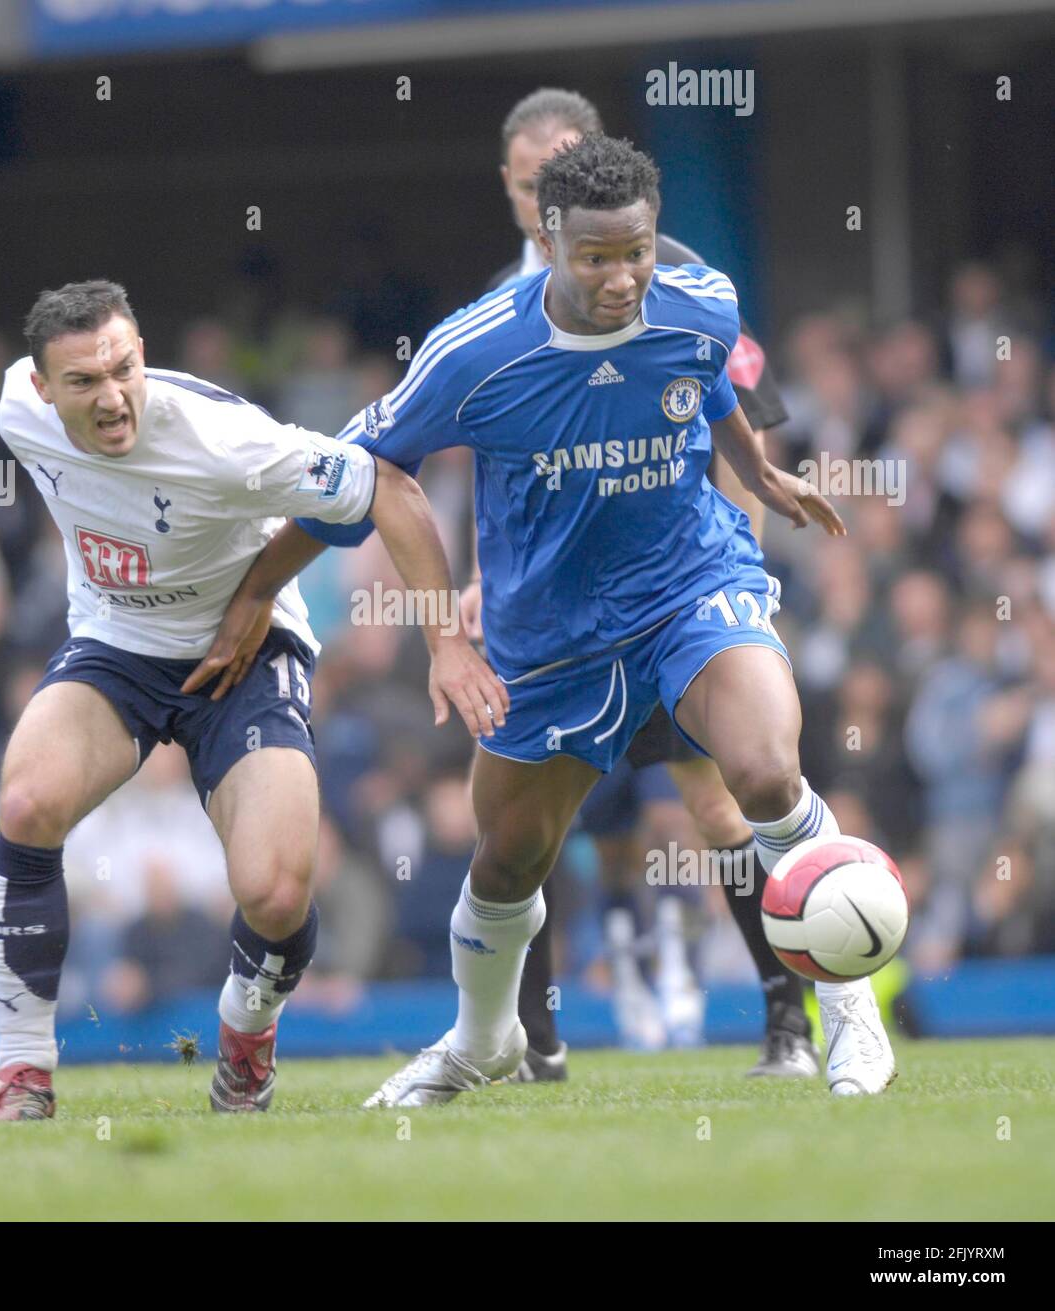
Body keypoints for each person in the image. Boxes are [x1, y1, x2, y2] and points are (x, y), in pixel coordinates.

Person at [193, 135, 896, 1103]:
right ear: (550, 238)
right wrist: (276, 590)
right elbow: (365, 473)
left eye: (637, 252)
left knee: (766, 771)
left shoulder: (703, 300)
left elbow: (710, 383)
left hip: (688, 586)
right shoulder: (475, 352)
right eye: (596, 258)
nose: (622, 278)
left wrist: (754, 467)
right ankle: (483, 1043)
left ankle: (852, 1023)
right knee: (508, 856)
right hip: (550, 633)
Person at [0, 280, 504, 1119]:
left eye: (124, 369)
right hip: (116, 646)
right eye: (83, 383)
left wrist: (445, 642)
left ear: (143, 353)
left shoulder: (227, 442)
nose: (111, 396)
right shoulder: (15, 406)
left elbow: (391, 490)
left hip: (248, 658)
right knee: (26, 798)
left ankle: (245, 1044)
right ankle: (22, 1071)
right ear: (43, 389)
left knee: (274, 888)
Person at [482, 88, 813, 1078]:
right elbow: (492, 473)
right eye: (532, 175)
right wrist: (470, 586)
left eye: (568, 164)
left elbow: (744, 420)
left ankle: (785, 1020)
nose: (551, 186)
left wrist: (742, 580)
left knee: (720, 807)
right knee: (541, 827)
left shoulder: (678, 281)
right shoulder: (496, 313)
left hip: (676, 598)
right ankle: (546, 1033)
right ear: (512, 187)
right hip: (554, 617)